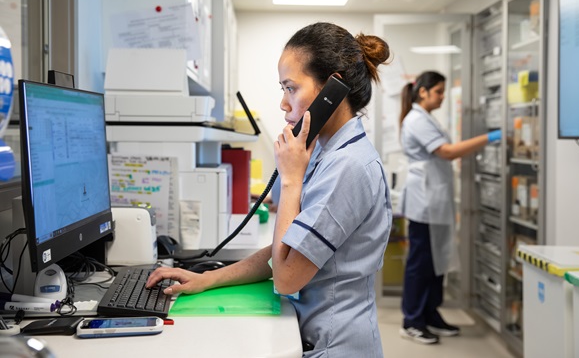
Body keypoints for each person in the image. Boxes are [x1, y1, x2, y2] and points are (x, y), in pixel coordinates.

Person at [147, 22, 393, 357]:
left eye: (290, 88)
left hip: (335, 344)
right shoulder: (326, 151)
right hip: (314, 332)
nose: (283, 103)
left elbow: (287, 277)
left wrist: (291, 179)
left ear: (332, 90)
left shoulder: (348, 167)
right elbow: (290, 250)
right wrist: (208, 279)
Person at [398, 70, 501, 345]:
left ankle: (430, 314)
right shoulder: (416, 120)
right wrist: (491, 137)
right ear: (424, 92)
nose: (443, 97)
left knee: (436, 261)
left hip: (435, 199)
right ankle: (412, 320)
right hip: (424, 201)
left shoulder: (425, 118)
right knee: (420, 263)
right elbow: (448, 151)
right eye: (439, 92)